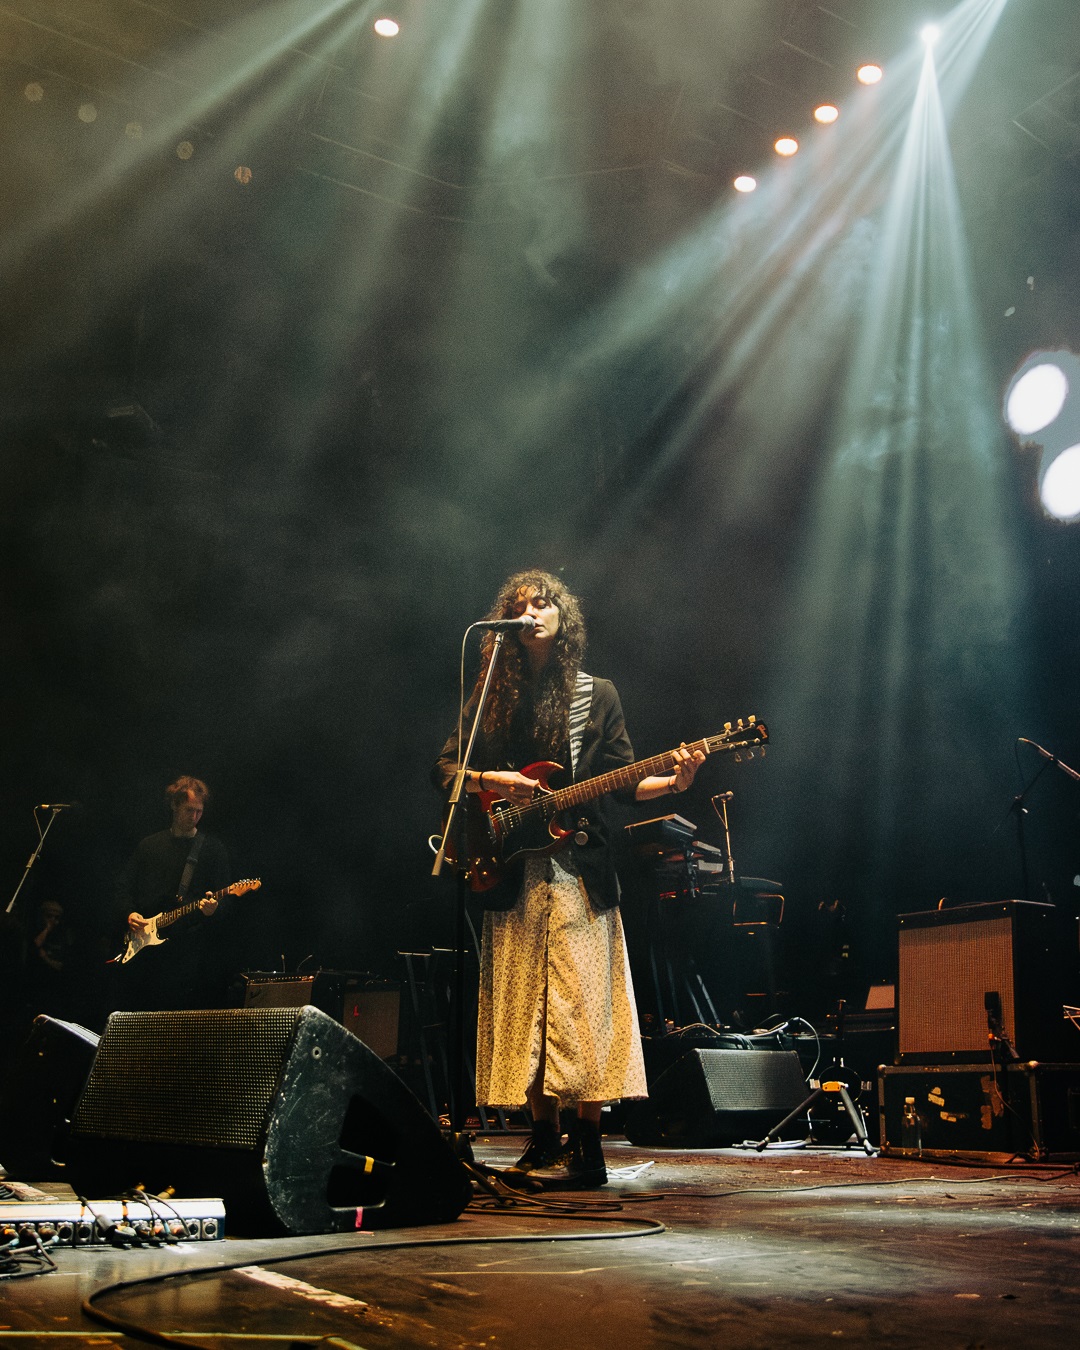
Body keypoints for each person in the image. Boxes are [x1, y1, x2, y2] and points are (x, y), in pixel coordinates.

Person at [434, 569, 704, 1187]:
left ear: (563, 617)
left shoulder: (595, 693)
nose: (530, 611)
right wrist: (490, 781)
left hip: (579, 870)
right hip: (509, 873)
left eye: (543, 602)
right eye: (520, 604)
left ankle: (588, 1149)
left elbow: (626, 778)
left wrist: (677, 781)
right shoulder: (491, 696)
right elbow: (443, 768)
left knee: (581, 1004)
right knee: (527, 1002)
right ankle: (543, 1141)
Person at [113, 776, 231, 1011]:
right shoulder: (149, 846)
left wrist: (213, 910)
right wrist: (129, 913)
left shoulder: (212, 849)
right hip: (144, 955)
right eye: (189, 810)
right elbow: (122, 887)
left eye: (199, 811)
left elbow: (225, 904)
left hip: (186, 958)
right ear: (174, 805)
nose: (194, 816)